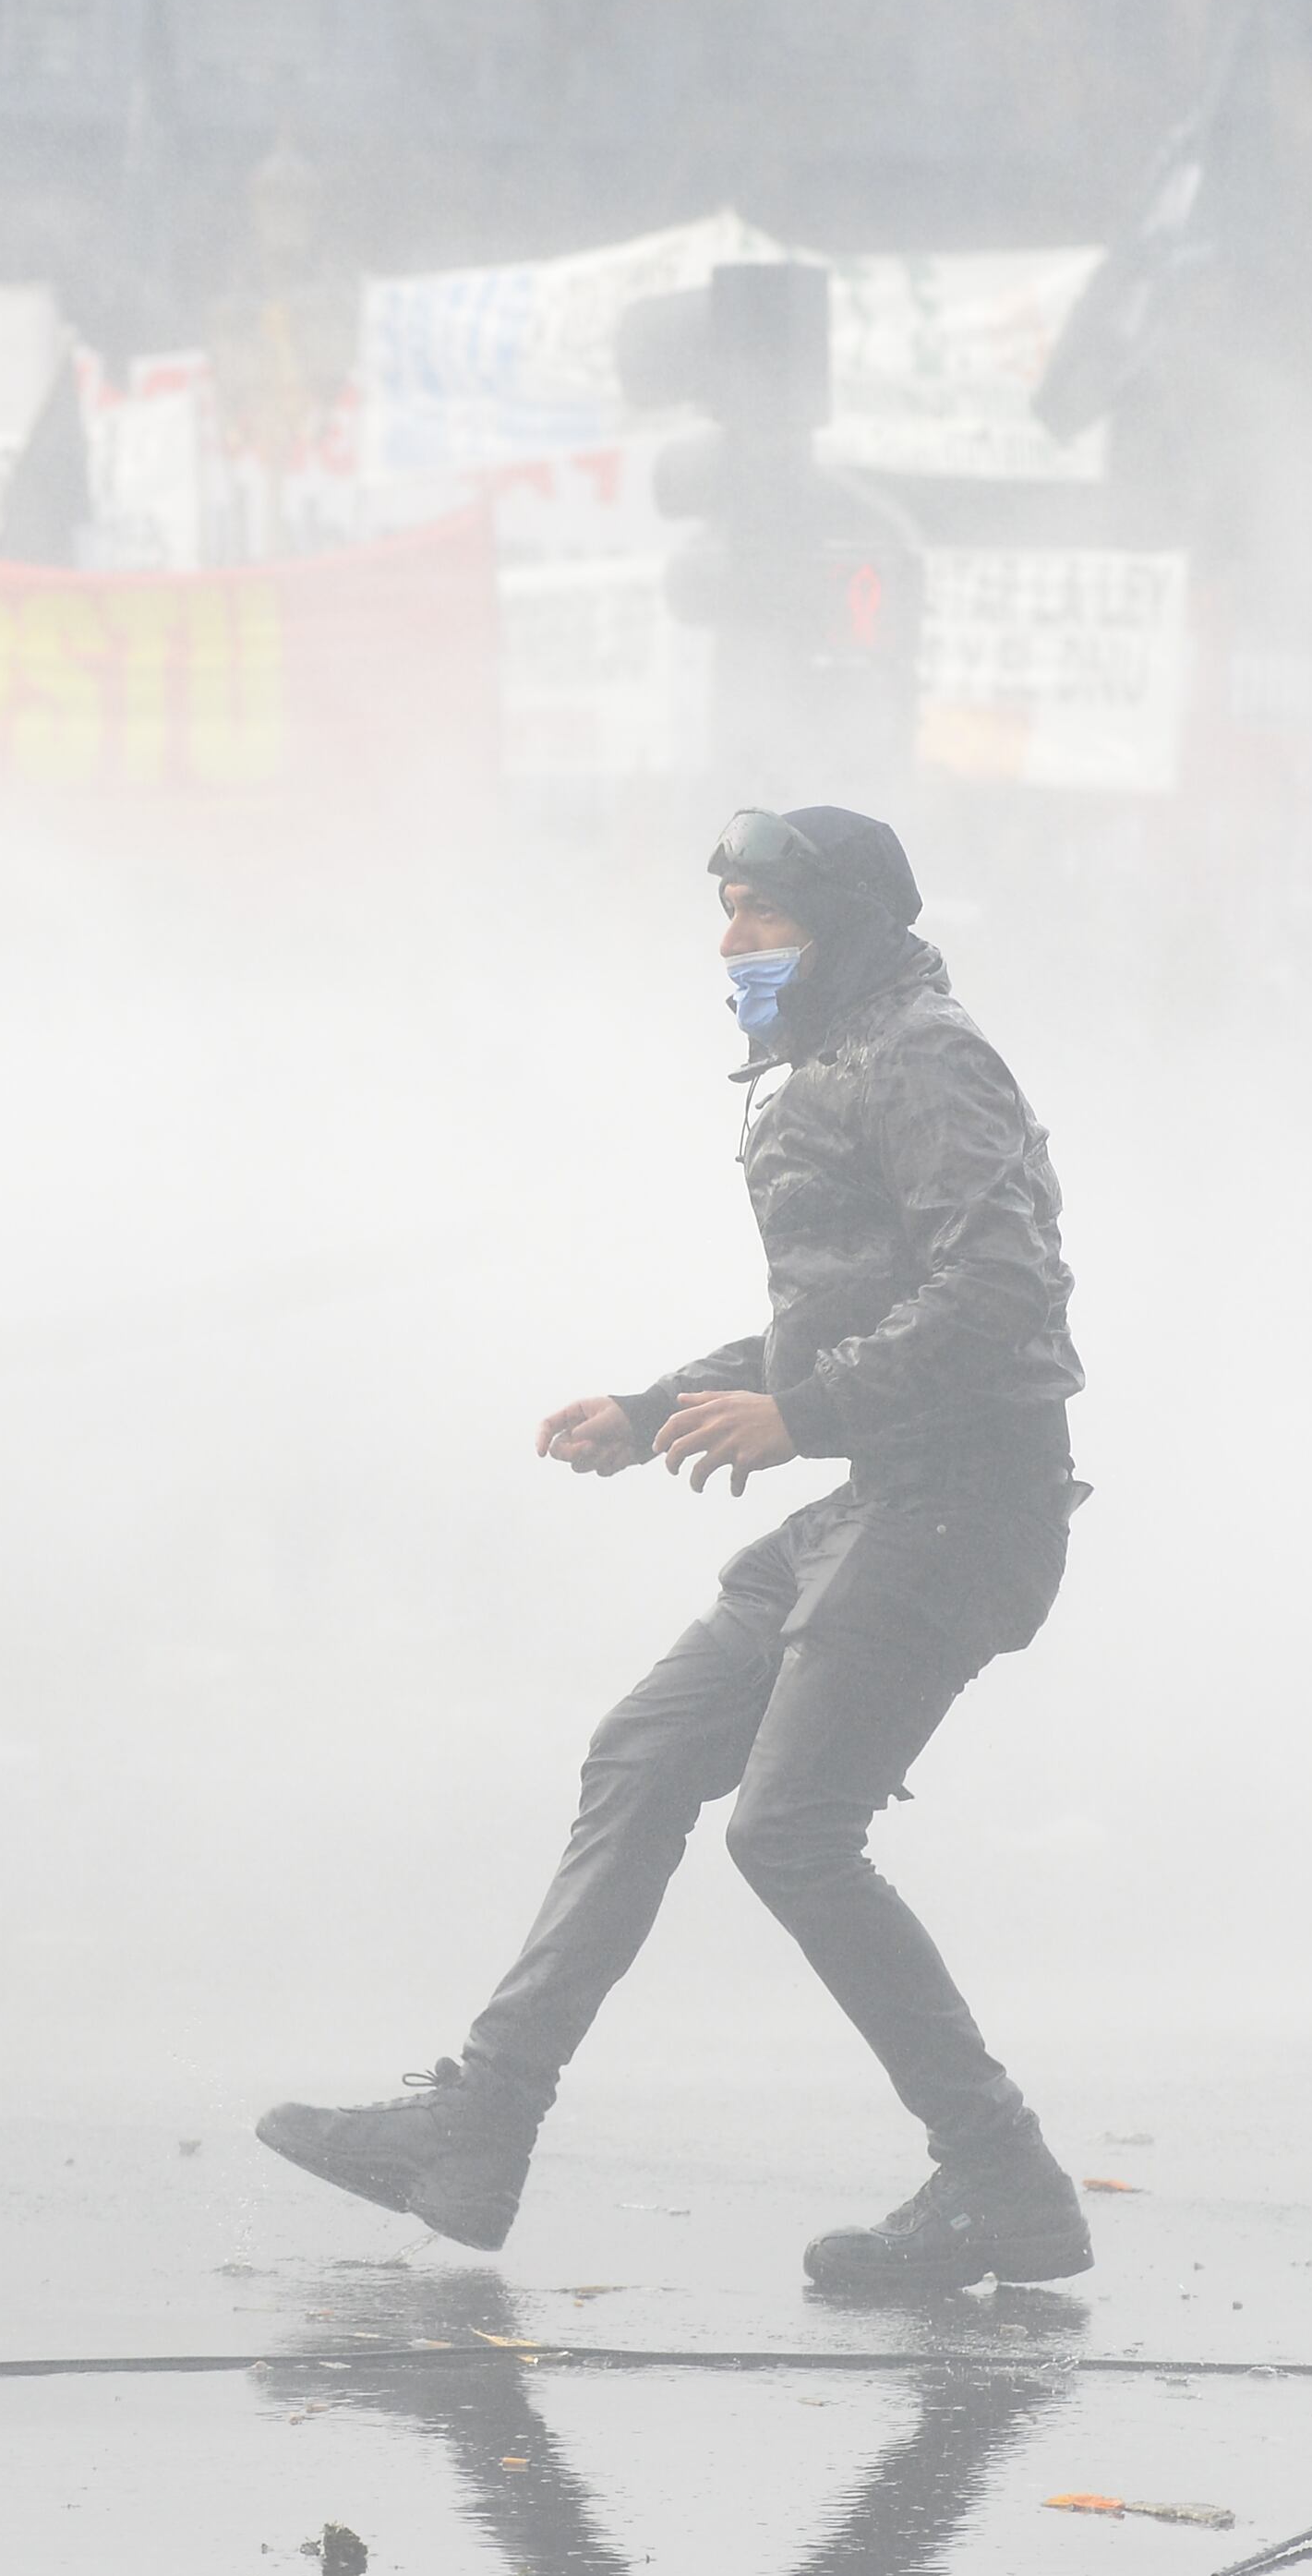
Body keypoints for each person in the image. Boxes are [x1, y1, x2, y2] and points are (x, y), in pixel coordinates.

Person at [260, 805, 1094, 2296]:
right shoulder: (835, 1062)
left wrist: (805, 1412)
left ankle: (1000, 2176)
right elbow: (833, 1321)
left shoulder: (922, 1056)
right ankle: (479, 2128)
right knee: (643, 1752)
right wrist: (657, 1410)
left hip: (961, 1509)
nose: (730, 948)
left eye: (758, 917)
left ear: (839, 923)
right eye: (724, 913)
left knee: (789, 1831)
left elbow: (1004, 1290)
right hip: (879, 1500)